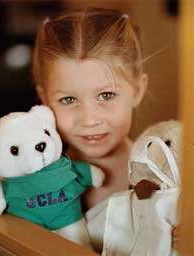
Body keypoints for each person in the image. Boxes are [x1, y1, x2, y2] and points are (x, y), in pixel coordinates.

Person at [32, 7, 148, 252]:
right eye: (68, 100)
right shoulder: (36, 181)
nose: (89, 119)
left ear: (137, 90)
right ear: (45, 101)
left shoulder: (167, 176)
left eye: (106, 95)